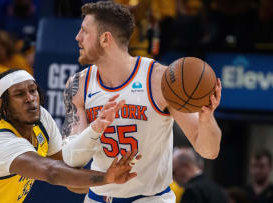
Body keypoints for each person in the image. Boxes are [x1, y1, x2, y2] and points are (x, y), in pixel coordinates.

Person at [62, 1, 222, 202]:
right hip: (99, 197)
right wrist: (95, 128)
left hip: (150, 198)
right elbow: (71, 159)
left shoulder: (161, 80)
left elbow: (209, 151)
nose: (78, 37)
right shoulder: (78, 85)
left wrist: (207, 120)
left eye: (84, 31)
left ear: (105, 39)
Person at [0, 69, 138, 203]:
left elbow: (68, 176)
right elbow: (52, 173)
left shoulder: (42, 119)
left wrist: (109, 187)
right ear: (2, 104)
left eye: (33, 91)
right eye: (19, 94)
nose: (30, 98)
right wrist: (105, 177)